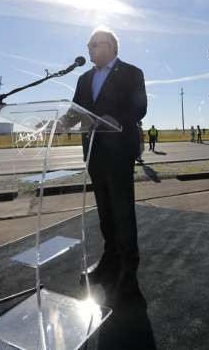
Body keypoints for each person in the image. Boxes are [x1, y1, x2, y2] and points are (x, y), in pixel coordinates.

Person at [72, 27, 147, 302]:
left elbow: (139, 107)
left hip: (118, 152)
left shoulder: (131, 72)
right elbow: (75, 109)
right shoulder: (84, 78)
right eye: (88, 44)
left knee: (122, 210)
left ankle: (129, 265)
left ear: (112, 47)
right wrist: (59, 122)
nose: (89, 48)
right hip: (94, 153)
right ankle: (110, 258)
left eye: (95, 44)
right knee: (104, 210)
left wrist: (115, 118)